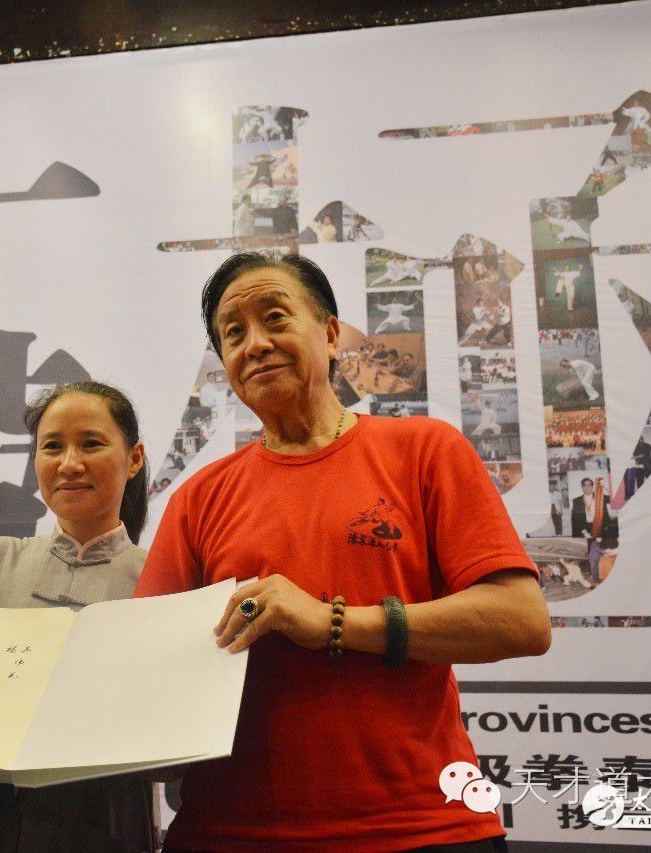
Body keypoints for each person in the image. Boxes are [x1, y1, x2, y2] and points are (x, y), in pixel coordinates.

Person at [135, 252, 549, 851]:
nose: (255, 344)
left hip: (421, 830)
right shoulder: (197, 499)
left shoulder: (425, 450)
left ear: (331, 335)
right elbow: (149, 674)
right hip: (229, 834)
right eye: (233, 333)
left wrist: (333, 623)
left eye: (275, 318)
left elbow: (522, 621)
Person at [0, 381, 158, 852]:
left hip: (103, 821)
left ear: (134, 459)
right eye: (52, 446)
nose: (69, 463)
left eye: (90, 444)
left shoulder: (158, 578)